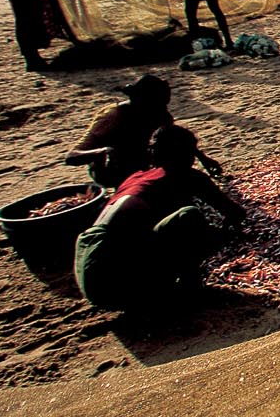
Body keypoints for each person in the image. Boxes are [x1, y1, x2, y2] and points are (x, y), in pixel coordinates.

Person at [73, 125, 245, 313]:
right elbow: (235, 213)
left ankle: (152, 287)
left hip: (87, 265)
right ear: (184, 153)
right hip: (113, 277)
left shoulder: (137, 177)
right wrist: (221, 235)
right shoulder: (186, 175)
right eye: (191, 152)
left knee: (160, 230)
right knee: (189, 216)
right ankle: (191, 290)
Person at [65, 74, 223, 187]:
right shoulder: (112, 116)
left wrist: (203, 159)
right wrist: (102, 151)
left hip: (144, 162)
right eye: (157, 104)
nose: (163, 109)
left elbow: (178, 138)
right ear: (140, 101)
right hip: (112, 169)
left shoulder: (160, 114)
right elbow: (71, 157)